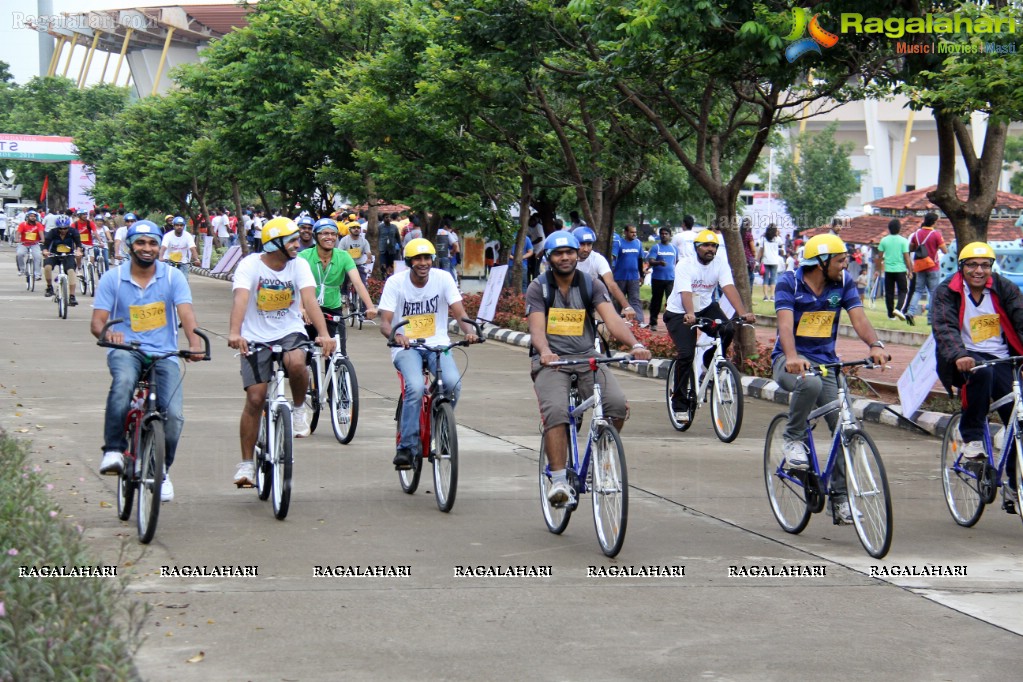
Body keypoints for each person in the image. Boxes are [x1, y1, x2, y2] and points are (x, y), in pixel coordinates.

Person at [527, 230, 651, 507]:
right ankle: (559, 481)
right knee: (557, 412)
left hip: (587, 356)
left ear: (577, 255)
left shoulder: (590, 284)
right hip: (552, 362)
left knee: (616, 404)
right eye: (558, 253)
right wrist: (545, 352)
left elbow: (613, 319)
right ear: (549, 258)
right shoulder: (539, 287)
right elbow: (536, 327)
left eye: (569, 252)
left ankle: (600, 460)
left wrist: (635, 344)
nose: (565, 257)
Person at [771, 233, 888, 523]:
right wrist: (794, 357)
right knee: (808, 382)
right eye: (839, 260)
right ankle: (793, 438)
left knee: (845, 429)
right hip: (789, 361)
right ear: (820, 263)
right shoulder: (790, 282)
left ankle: (840, 498)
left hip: (827, 365)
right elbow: (785, 325)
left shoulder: (844, 283)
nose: (845, 265)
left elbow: (859, 318)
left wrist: (875, 345)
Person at [91, 221, 205, 502]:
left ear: (159, 247)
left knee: (174, 415)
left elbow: (186, 313)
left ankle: (160, 471)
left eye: (153, 243)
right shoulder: (113, 278)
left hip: (164, 353)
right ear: (130, 246)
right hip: (126, 350)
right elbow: (97, 322)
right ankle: (114, 450)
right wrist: (110, 334)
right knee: (124, 384)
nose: (147, 248)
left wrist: (194, 343)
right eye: (140, 243)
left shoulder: (172, 277)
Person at [227, 217, 336, 487]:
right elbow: (240, 298)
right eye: (292, 241)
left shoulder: (299, 265)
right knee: (255, 398)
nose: (298, 245)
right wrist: (234, 332)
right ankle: (246, 465)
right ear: (275, 243)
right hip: (254, 336)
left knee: (298, 363)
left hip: (289, 331)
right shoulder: (250, 266)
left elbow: (309, 300)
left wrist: (323, 333)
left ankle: (299, 409)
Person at [933, 242, 1023, 511]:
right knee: (981, 374)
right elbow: (944, 325)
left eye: (985, 265)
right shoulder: (947, 291)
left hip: (1005, 358)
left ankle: (1013, 482)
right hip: (965, 358)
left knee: (1019, 417)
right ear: (962, 267)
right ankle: (972, 440)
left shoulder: (1004, 287)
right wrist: (958, 354)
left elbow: (1020, 320)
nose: (979, 270)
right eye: (972, 265)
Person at [378, 238, 480, 470]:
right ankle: (407, 446)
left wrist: (470, 332)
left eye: (427, 258)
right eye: (418, 259)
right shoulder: (396, 283)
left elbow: (459, 312)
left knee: (452, 384)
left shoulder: (443, 278)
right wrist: (396, 337)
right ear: (409, 261)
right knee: (414, 387)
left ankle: (440, 428)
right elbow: (384, 322)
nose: (423, 263)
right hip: (406, 348)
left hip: (437, 345)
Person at [663, 230, 756, 421]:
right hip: (679, 312)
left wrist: (743, 312)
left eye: (713, 246)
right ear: (697, 247)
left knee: (727, 328)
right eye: (706, 245)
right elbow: (685, 292)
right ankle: (679, 403)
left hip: (705, 307)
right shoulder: (685, 264)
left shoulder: (720, 263)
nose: (710, 249)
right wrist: (689, 313)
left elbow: (728, 287)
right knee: (686, 354)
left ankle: (709, 360)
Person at [298, 218, 378, 354]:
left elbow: (358, 283)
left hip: (333, 307)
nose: (329, 237)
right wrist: (301, 308)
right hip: (308, 308)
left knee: (338, 352)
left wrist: (370, 307)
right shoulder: (303, 256)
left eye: (333, 234)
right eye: (324, 233)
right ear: (315, 236)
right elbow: (297, 284)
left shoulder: (343, 256)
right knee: (304, 354)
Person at [572, 227, 635, 320]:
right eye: (582, 244)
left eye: (589, 244)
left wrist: (627, 307)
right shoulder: (566, 259)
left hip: (589, 302)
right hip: (568, 302)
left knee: (605, 329)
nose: (586, 249)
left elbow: (611, 284)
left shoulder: (597, 259)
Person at [907, 212, 947, 325]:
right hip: (933, 266)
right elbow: (944, 250)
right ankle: (930, 318)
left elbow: (911, 247)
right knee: (933, 292)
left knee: (918, 290)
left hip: (920, 266)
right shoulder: (936, 234)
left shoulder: (917, 233)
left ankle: (911, 312)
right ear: (934, 222)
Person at [877, 218, 912, 322]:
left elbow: (879, 257)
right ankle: (898, 308)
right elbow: (906, 257)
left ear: (889, 229)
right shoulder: (903, 241)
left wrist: (878, 269)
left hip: (888, 270)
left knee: (889, 292)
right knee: (903, 290)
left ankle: (890, 315)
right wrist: (910, 270)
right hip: (900, 270)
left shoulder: (884, 240)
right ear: (899, 229)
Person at [42, 216, 82, 306]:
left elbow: (78, 244)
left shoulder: (73, 231)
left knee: (71, 271)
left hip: (68, 255)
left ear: (68, 226)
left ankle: (72, 296)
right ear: (57, 227)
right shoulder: (52, 232)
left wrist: (78, 251)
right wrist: (45, 251)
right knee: (47, 267)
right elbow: (45, 245)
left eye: (65, 228)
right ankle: (49, 287)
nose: (63, 230)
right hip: (54, 254)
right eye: (61, 228)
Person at [611, 224, 646, 326]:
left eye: (635, 232)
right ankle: (614, 322)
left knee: (635, 300)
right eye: (631, 232)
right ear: (625, 232)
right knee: (617, 301)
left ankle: (639, 322)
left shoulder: (638, 243)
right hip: (619, 277)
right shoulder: (619, 243)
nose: (634, 234)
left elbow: (640, 260)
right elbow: (613, 258)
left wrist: (642, 275)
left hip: (634, 278)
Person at [645, 226, 678, 331]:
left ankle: (670, 323)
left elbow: (676, 262)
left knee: (671, 302)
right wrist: (659, 262)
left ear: (670, 235)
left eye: (666, 234)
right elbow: (650, 261)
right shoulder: (656, 247)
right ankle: (653, 322)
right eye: (662, 234)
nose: (664, 235)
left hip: (670, 279)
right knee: (656, 301)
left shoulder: (674, 248)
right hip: (657, 279)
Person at [757, 223, 784, 301]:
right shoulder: (778, 239)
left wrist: (758, 260)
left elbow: (761, 250)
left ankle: (765, 296)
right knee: (773, 279)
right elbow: (781, 248)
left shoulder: (763, 239)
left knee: (765, 279)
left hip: (765, 260)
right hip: (775, 261)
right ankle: (772, 296)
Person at [15, 210, 45, 279]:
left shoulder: (38, 224)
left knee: (38, 257)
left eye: (34, 216)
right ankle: (22, 269)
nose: (33, 218)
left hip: (35, 244)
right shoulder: (23, 224)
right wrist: (16, 239)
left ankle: (37, 274)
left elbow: (41, 232)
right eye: (31, 216)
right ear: (27, 217)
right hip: (24, 243)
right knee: (20, 254)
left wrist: (42, 239)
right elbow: (18, 232)